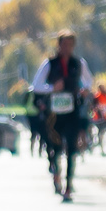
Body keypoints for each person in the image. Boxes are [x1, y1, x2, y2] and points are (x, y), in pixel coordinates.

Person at [30, 30, 93, 200]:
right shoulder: (49, 64)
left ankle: (69, 185)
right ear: (58, 45)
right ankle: (56, 174)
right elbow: (36, 85)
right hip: (54, 114)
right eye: (64, 44)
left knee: (72, 148)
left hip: (72, 111)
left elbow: (89, 80)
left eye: (70, 45)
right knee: (55, 147)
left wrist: (85, 89)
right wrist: (52, 88)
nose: (67, 48)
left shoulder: (78, 63)